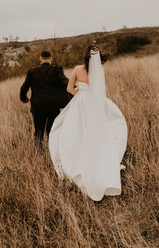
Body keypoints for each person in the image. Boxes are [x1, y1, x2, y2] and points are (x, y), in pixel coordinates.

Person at [49, 44, 128, 201]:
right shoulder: (98, 72)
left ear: (85, 56)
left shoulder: (77, 69)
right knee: (100, 130)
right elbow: (99, 92)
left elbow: (69, 89)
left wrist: (80, 92)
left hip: (80, 103)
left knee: (74, 131)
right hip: (95, 104)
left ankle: (75, 159)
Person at [20, 50, 71, 147]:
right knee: (52, 131)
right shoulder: (57, 69)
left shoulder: (32, 71)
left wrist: (24, 98)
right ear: (51, 59)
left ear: (40, 59)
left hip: (37, 106)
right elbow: (65, 82)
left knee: (38, 132)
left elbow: (24, 87)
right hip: (53, 106)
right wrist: (77, 90)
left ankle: (39, 152)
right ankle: (53, 151)